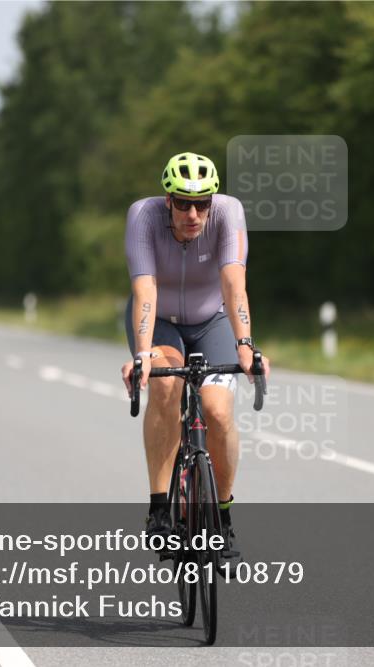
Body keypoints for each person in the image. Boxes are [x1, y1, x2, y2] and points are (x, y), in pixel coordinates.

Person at [120, 152, 270, 561]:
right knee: (167, 386)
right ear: (168, 200)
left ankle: (223, 516)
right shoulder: (144, 216)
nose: (193, 214)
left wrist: (245, 345)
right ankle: (158, 512)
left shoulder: (228, 213)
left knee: (217, 411)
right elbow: (145, 290)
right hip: (160, 322)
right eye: (183, 203)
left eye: (202, 204)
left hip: (212, 320)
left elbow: (234, 285)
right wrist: (143, 354)